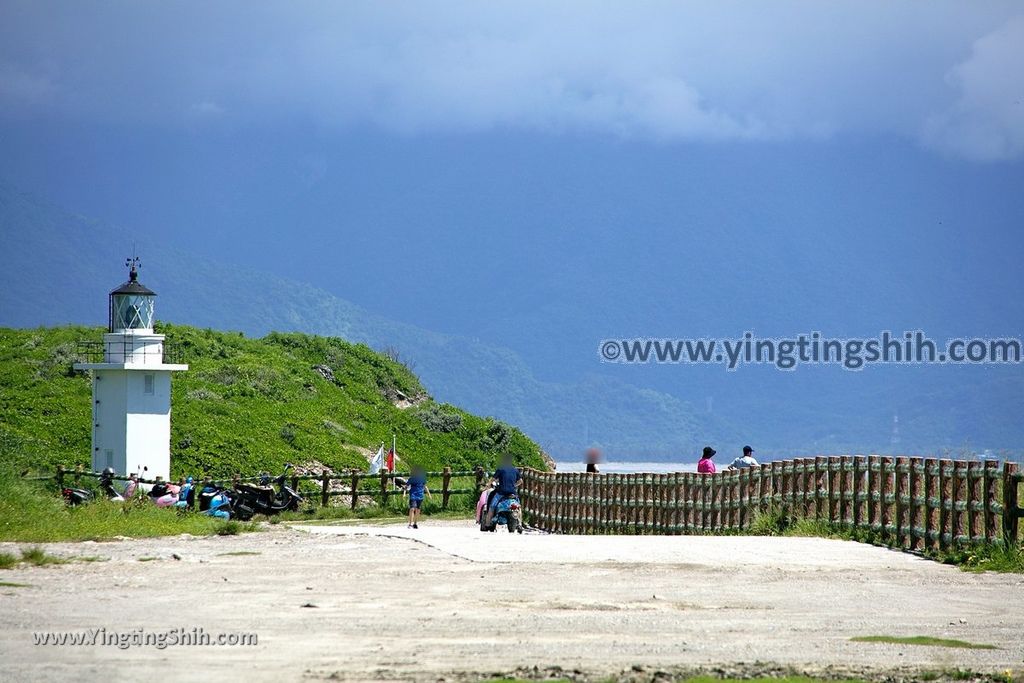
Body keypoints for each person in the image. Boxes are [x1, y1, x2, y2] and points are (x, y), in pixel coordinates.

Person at [486, 454, 522, 526]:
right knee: (519, 507)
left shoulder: (500, 469)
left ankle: (488, 524)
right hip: (512, 493)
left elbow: (493, 480)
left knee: (492, 506)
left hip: (501, 492)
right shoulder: (515, 470)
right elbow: (521, 481)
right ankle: (520, 524)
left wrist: (488, 485)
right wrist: (514, 485)